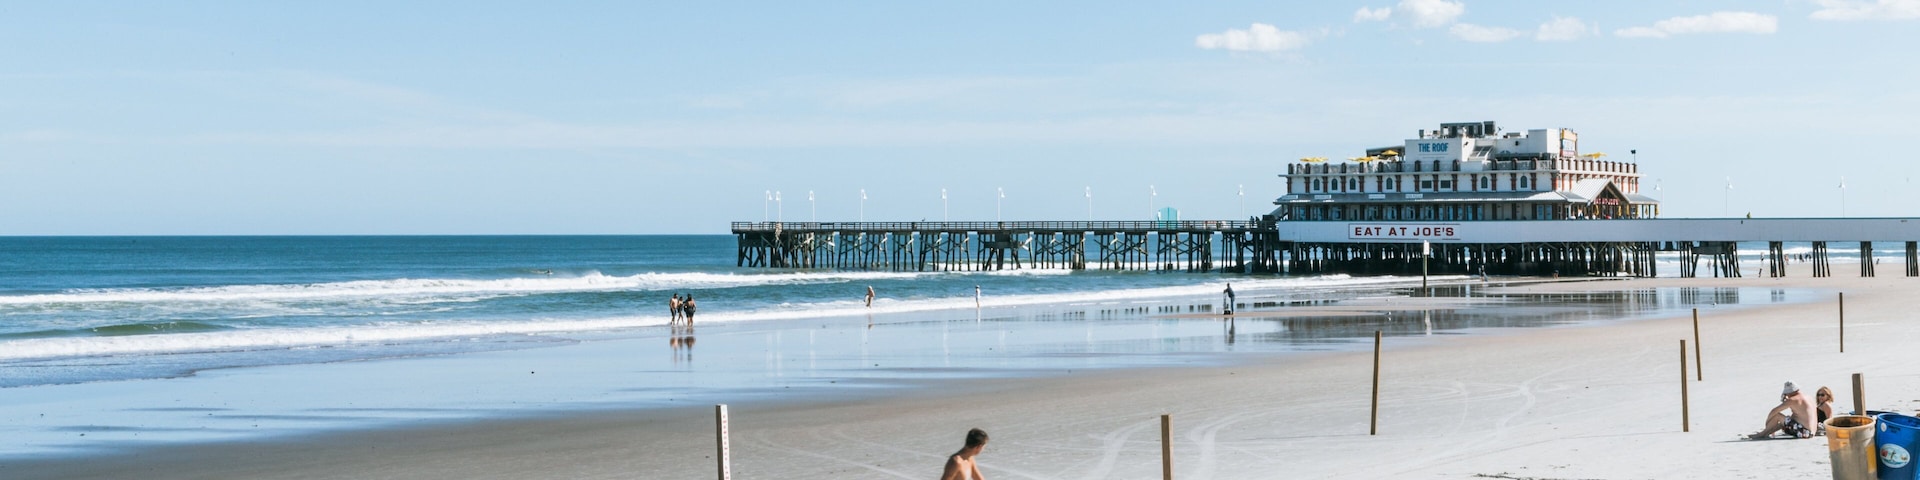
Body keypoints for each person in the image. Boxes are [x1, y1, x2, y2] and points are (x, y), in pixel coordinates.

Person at [1750, 381, 1818, 439]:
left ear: (1788, 392)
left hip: (1804, 433)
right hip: (1811, 433)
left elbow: (1774, 411)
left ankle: (1762, 434)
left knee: (1777, 416)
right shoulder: (1809, 397)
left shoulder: (1793, 400)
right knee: (1785, 421)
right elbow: (1799, 416)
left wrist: (1767, 424)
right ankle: (1766, 433)